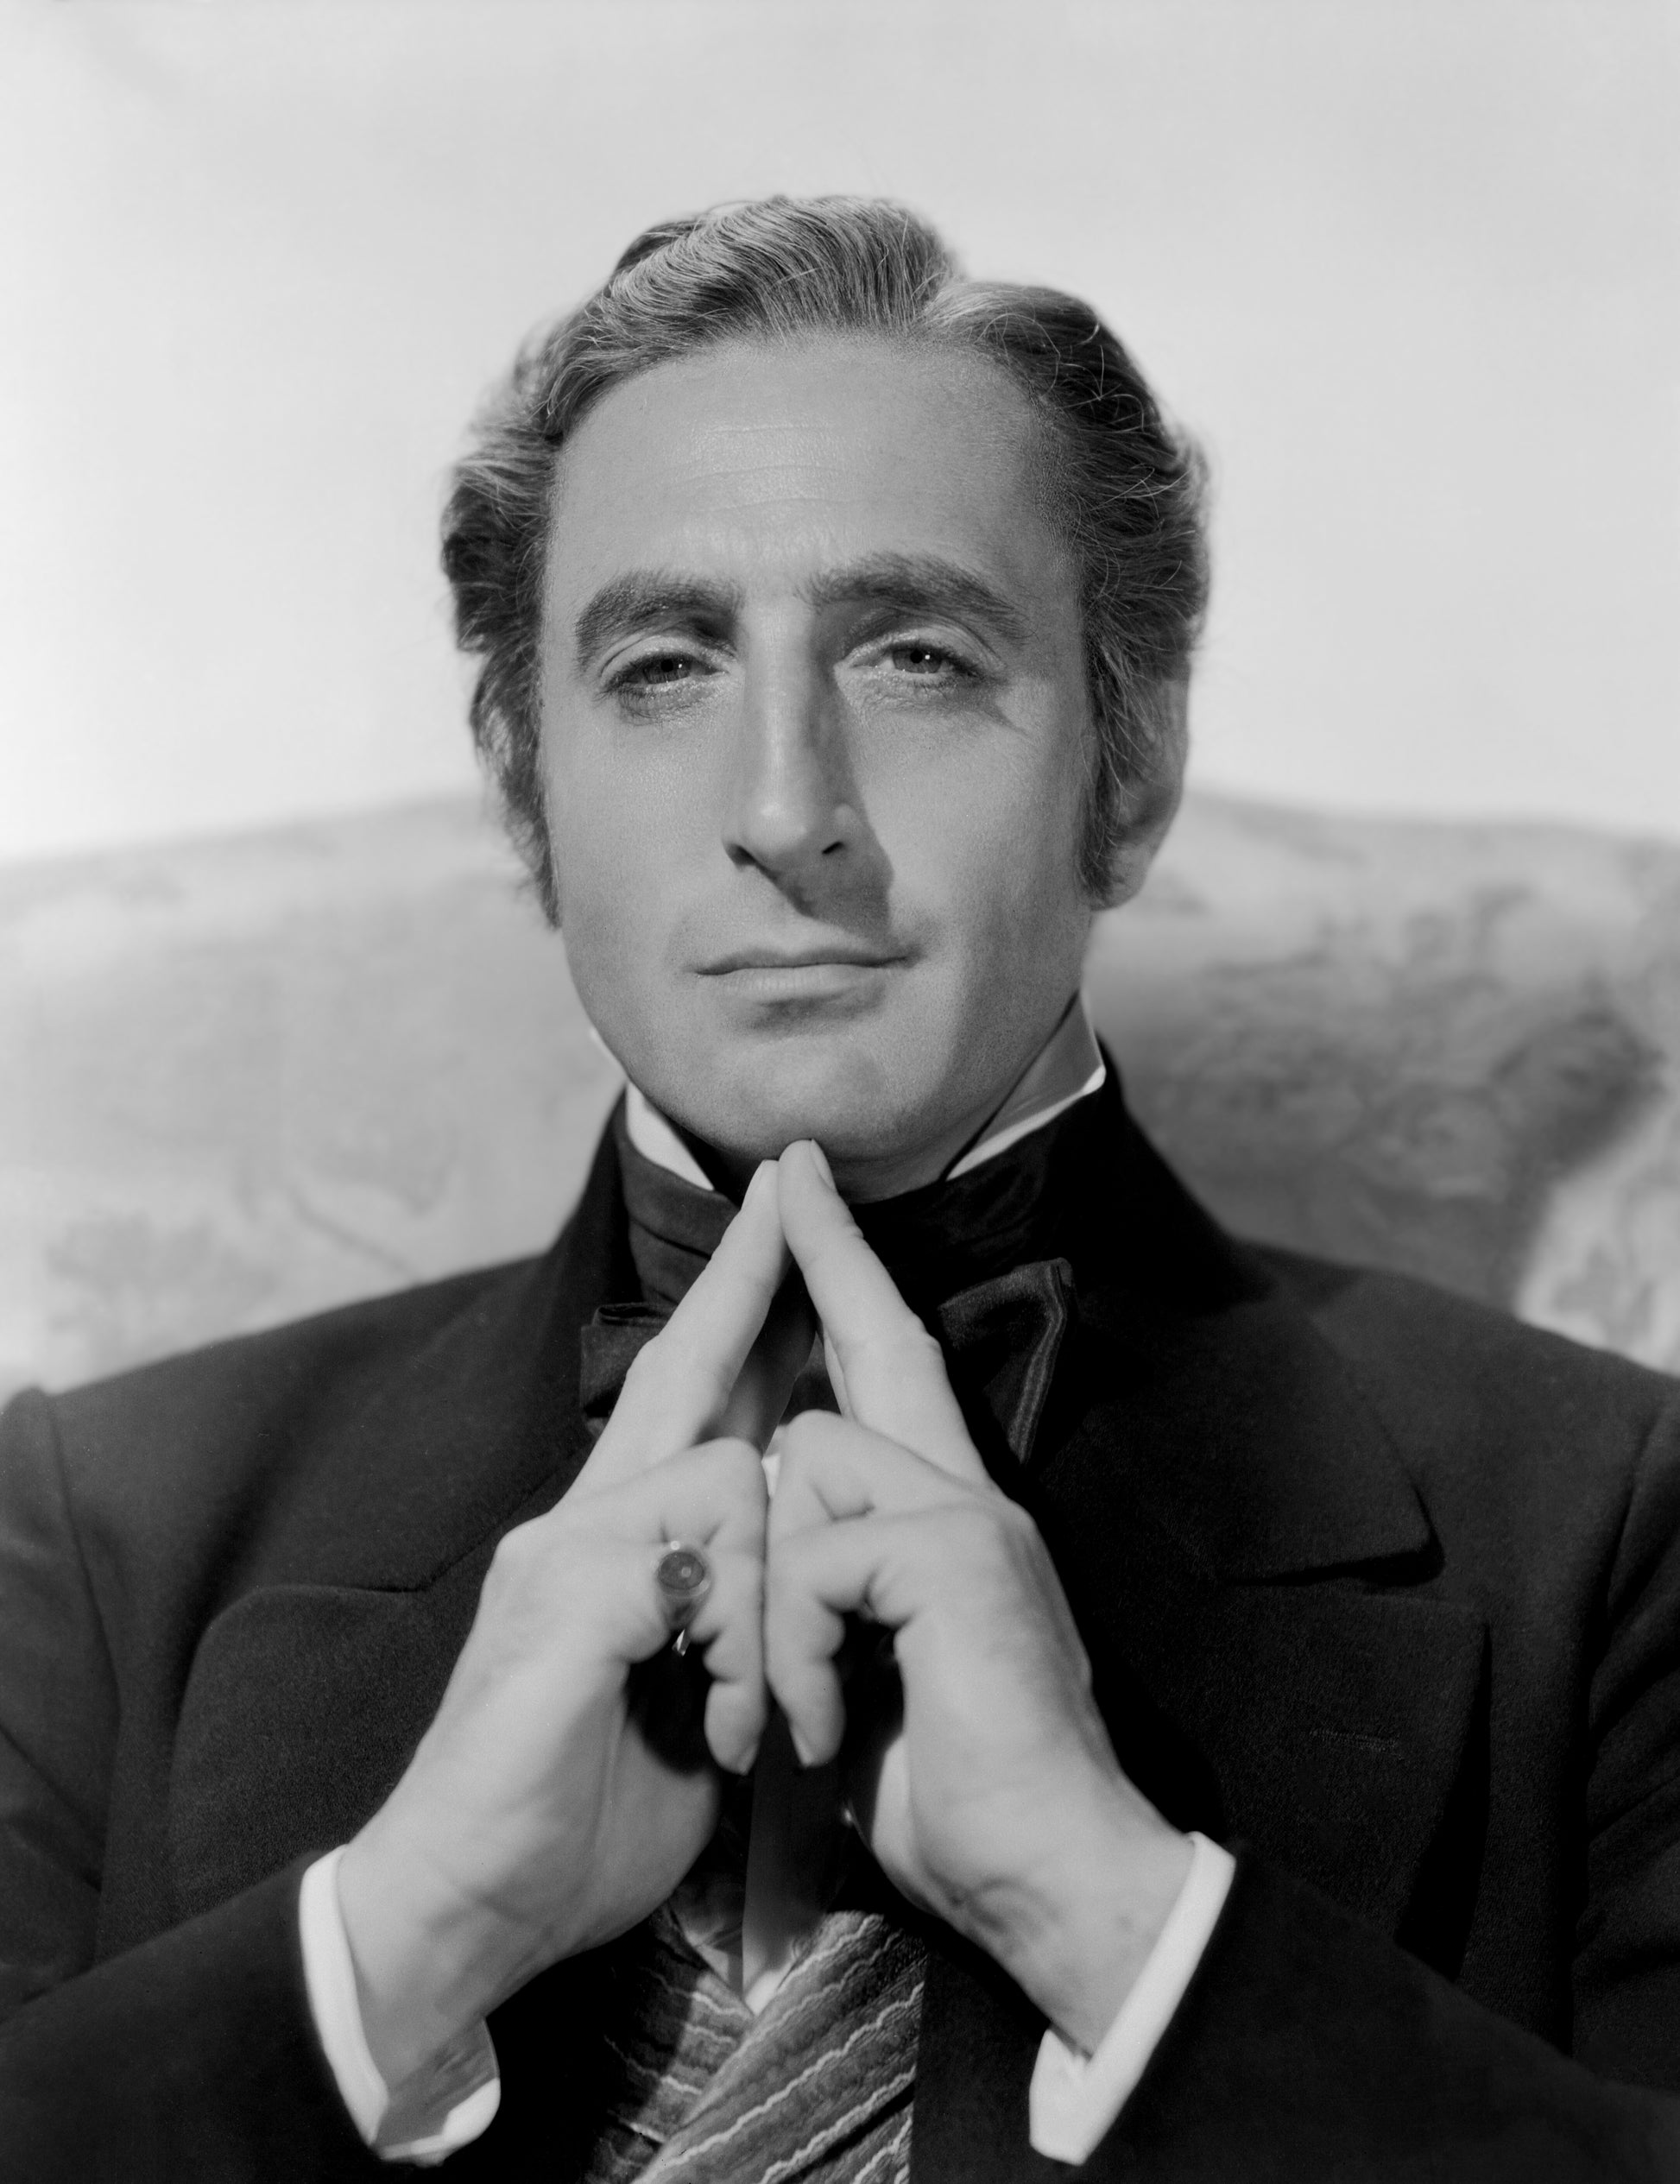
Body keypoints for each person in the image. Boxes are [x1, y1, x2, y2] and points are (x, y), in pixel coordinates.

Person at [1, 195, 1677, 2184]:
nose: (787, 808)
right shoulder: (100, 1528)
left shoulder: (1610, 1528)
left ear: (1131, 767)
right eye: (661, 665)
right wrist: (398, 1940)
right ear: (526, 791)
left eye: (915, 655)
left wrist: (1115, 1917)